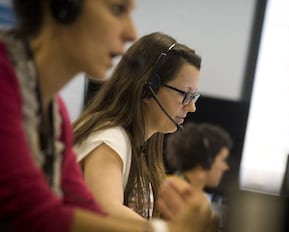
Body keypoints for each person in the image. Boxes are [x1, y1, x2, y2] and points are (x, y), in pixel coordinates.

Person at [0, 0, 210, 231]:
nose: (131, 33)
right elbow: (33, 212)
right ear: (64, 7)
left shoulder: (53, 112)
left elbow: (86, 207)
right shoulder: (4, 83)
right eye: (118, 9)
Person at [72, 31, 202, 222]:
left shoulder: (140, 146)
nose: (191, 107)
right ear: (149, 86)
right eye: (185, 94)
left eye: (193, 96)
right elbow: (105, 210)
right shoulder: (110, 138)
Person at [165, 122, 232, 197]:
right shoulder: (174, 196)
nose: (226, 167)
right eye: (223, 160)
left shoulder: (194, 197)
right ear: (207, 160)